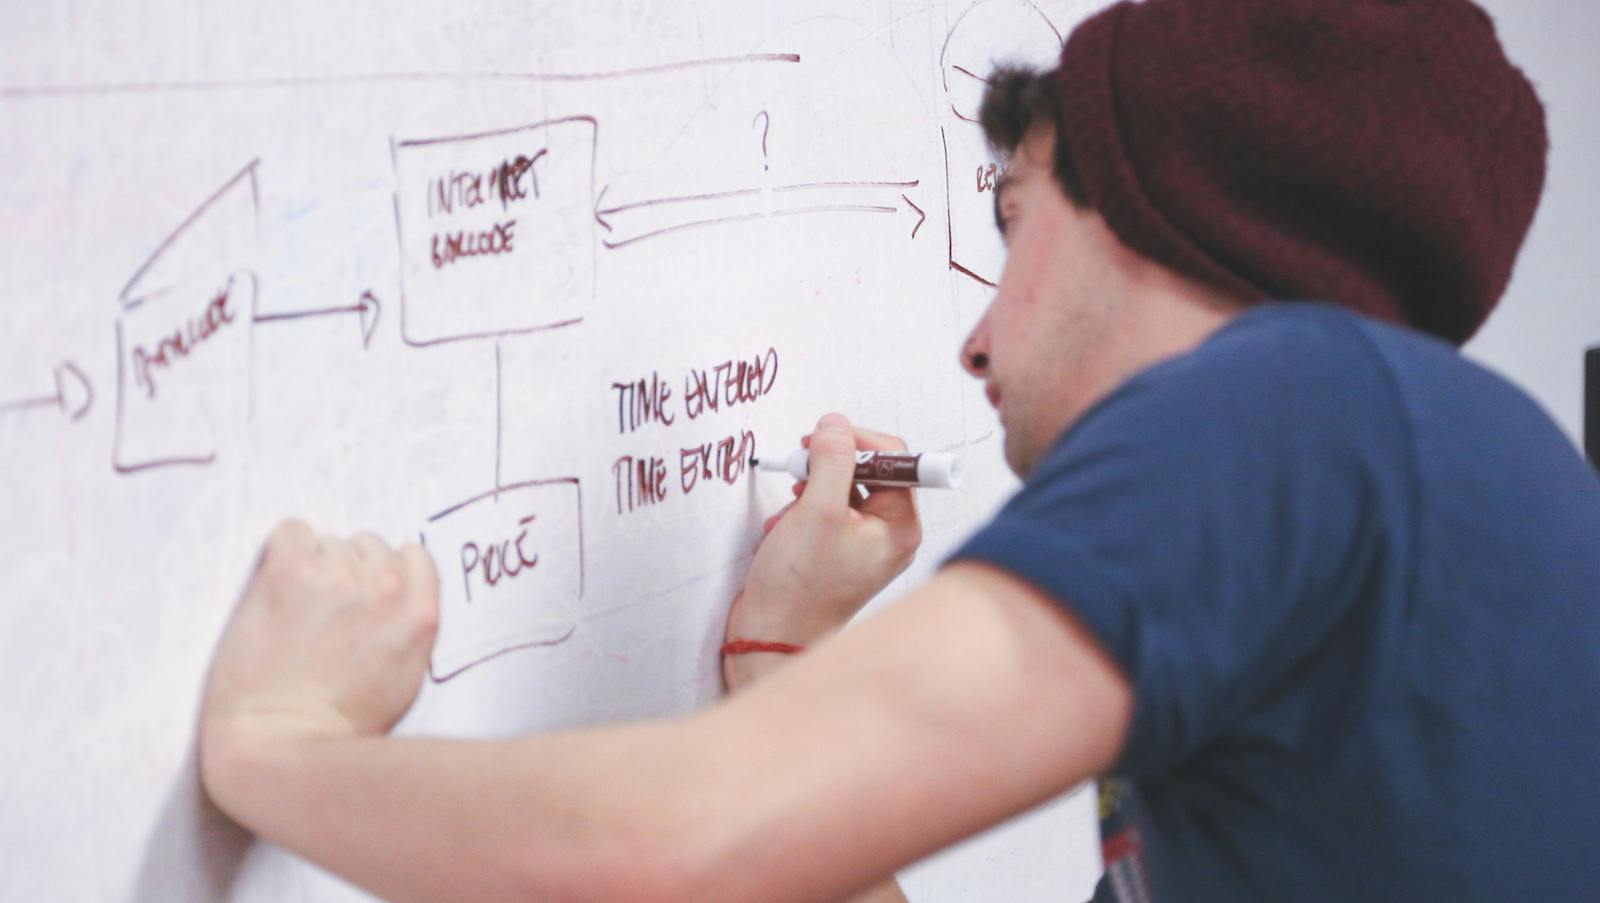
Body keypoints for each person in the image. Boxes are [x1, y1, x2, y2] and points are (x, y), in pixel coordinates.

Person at [198, 0, 1600, 900]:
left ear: (1157, 209)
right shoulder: (1417, 482)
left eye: (1012, 220)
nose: (975, 344)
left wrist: (275, 748)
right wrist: (782, 654)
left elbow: (680, 848)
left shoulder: (1295, 404)